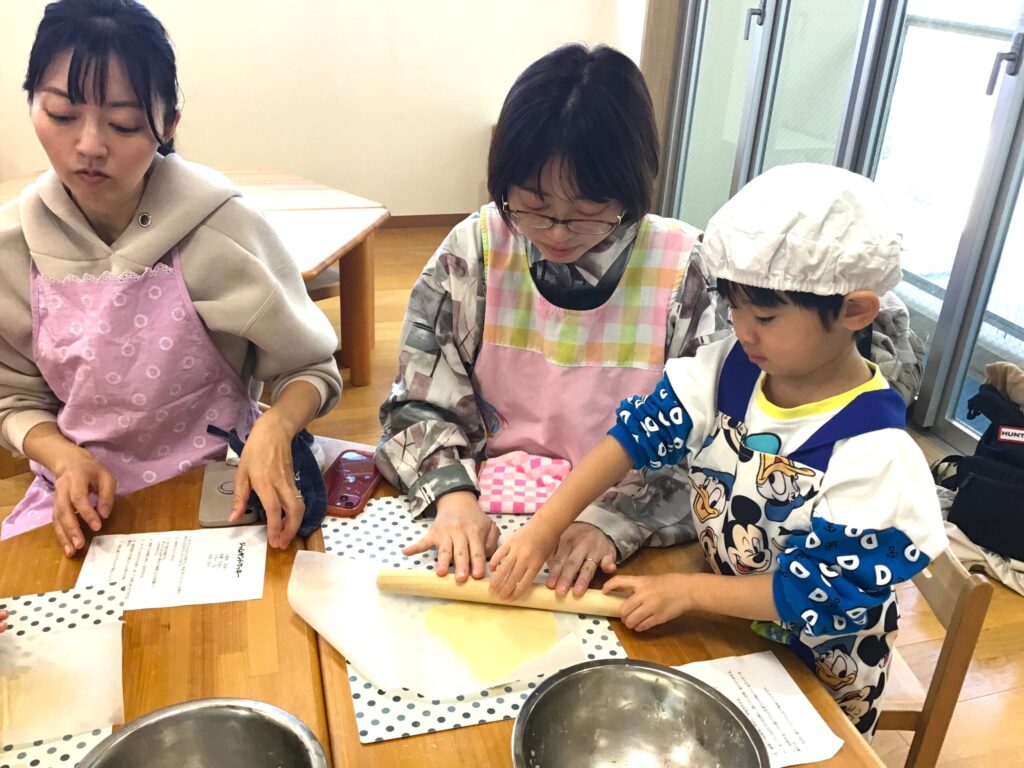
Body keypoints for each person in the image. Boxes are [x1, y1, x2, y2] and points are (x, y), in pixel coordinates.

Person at [489, 163, 948, 736]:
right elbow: (634, 437)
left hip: (814, 676)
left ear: (854, 312)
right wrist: (545, 525)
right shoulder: (730, 369)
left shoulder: (872, 451)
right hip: (726, 627)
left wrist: (685, 590)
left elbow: (807, 593)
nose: (742, 330)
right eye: (733, 308)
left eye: (765, 316)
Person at [0, 0, 342, 553]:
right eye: (61, 115)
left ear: (168, 124)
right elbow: (13, 401)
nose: (89, 145)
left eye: (124, 123)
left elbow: (311, 367)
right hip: (80, 504)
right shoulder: (14, 247)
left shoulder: (222, 229)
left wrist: (276, 426)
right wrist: (61, 457)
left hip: (221, 487)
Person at [375, 43, 716, 594]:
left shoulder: (685, 271)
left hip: (622, 531)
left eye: (585, 212)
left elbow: (717, 442)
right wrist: (452, 494)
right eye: (532, 206)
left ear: (632, 191)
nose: (557, 233)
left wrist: (615, 522)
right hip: (482, 515)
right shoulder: (478, 249)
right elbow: (417, 399)